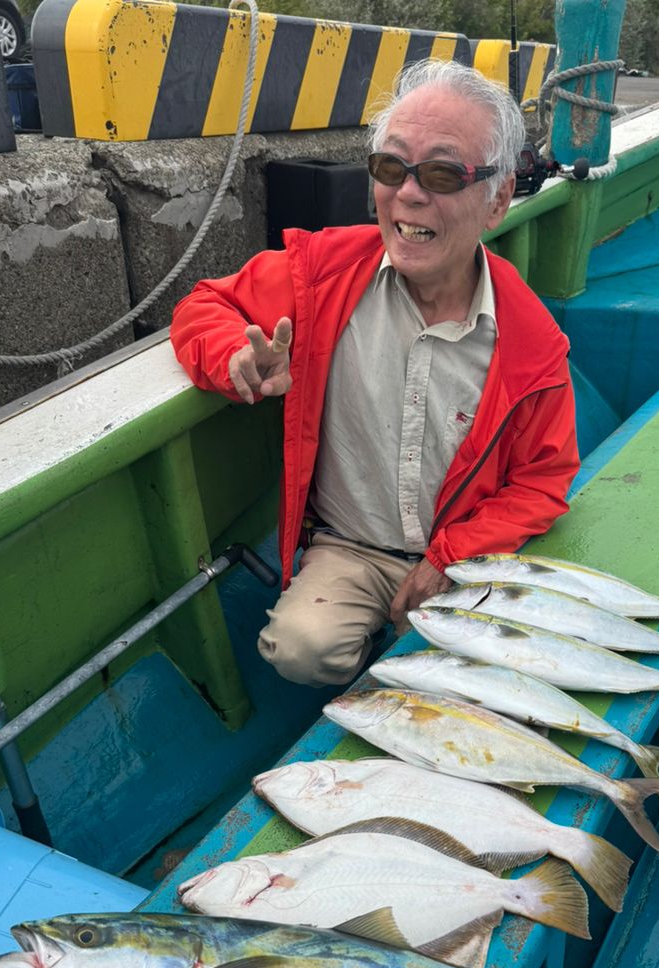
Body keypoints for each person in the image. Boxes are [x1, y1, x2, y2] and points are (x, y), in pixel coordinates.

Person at [170, 59, 579, 687]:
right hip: (347, 545)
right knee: (301, 649)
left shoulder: (533, 344)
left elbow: (542, 479)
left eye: (443, 173)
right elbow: (206, 303)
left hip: (466, 553)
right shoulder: (324, 274)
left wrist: (451, 557)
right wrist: (234, 359)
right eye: (391, 167)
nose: (409, 194)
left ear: (498, 198)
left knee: (483, 683)